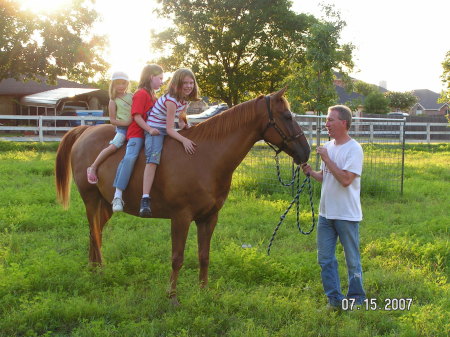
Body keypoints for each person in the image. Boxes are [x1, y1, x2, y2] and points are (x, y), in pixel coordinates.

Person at [301, 105, 366, 309]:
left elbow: (346, 179)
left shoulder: (354, 149)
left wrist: (327, 159)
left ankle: (356, 299)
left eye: (330, 120)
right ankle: (335, 301)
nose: (326, 124)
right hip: (326, 214)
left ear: (343, 123)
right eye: (327, 120)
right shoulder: (328, 146)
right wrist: (311, 172)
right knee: (325, 259)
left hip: (346, 215)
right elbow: (327, 177)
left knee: (352, 260)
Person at [139, 68, 199, 217]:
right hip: (156, 130)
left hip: (167, 129)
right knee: (153, 159)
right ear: (177, 83)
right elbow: (170, 129)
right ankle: (145, 198)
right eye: (185, 83)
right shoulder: (171, 100)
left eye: (191, 83)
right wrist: (184, 139)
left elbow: (180, 120)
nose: (189, 86)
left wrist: (186, 127)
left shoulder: (184, 100)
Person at [111, 64, 164, 212]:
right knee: (130, 157)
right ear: (151, 77)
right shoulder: (141, 94)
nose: (162, 82)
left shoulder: (154, 96)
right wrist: (149, 129)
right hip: (138, 133)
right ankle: (118, 195)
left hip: (151, 132)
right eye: (160, 78)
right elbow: (137, 116)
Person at [86, 71, 132, 184]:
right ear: (113, 85)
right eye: (118, 83)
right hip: (123, 128)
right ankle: (93, 166)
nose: (121, 86)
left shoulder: (132, 96)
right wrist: (126, 123)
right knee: (114, 146)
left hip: (135, 126)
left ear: (127, 84)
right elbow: (112, 120)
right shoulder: (113, 101)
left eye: (123, 83)